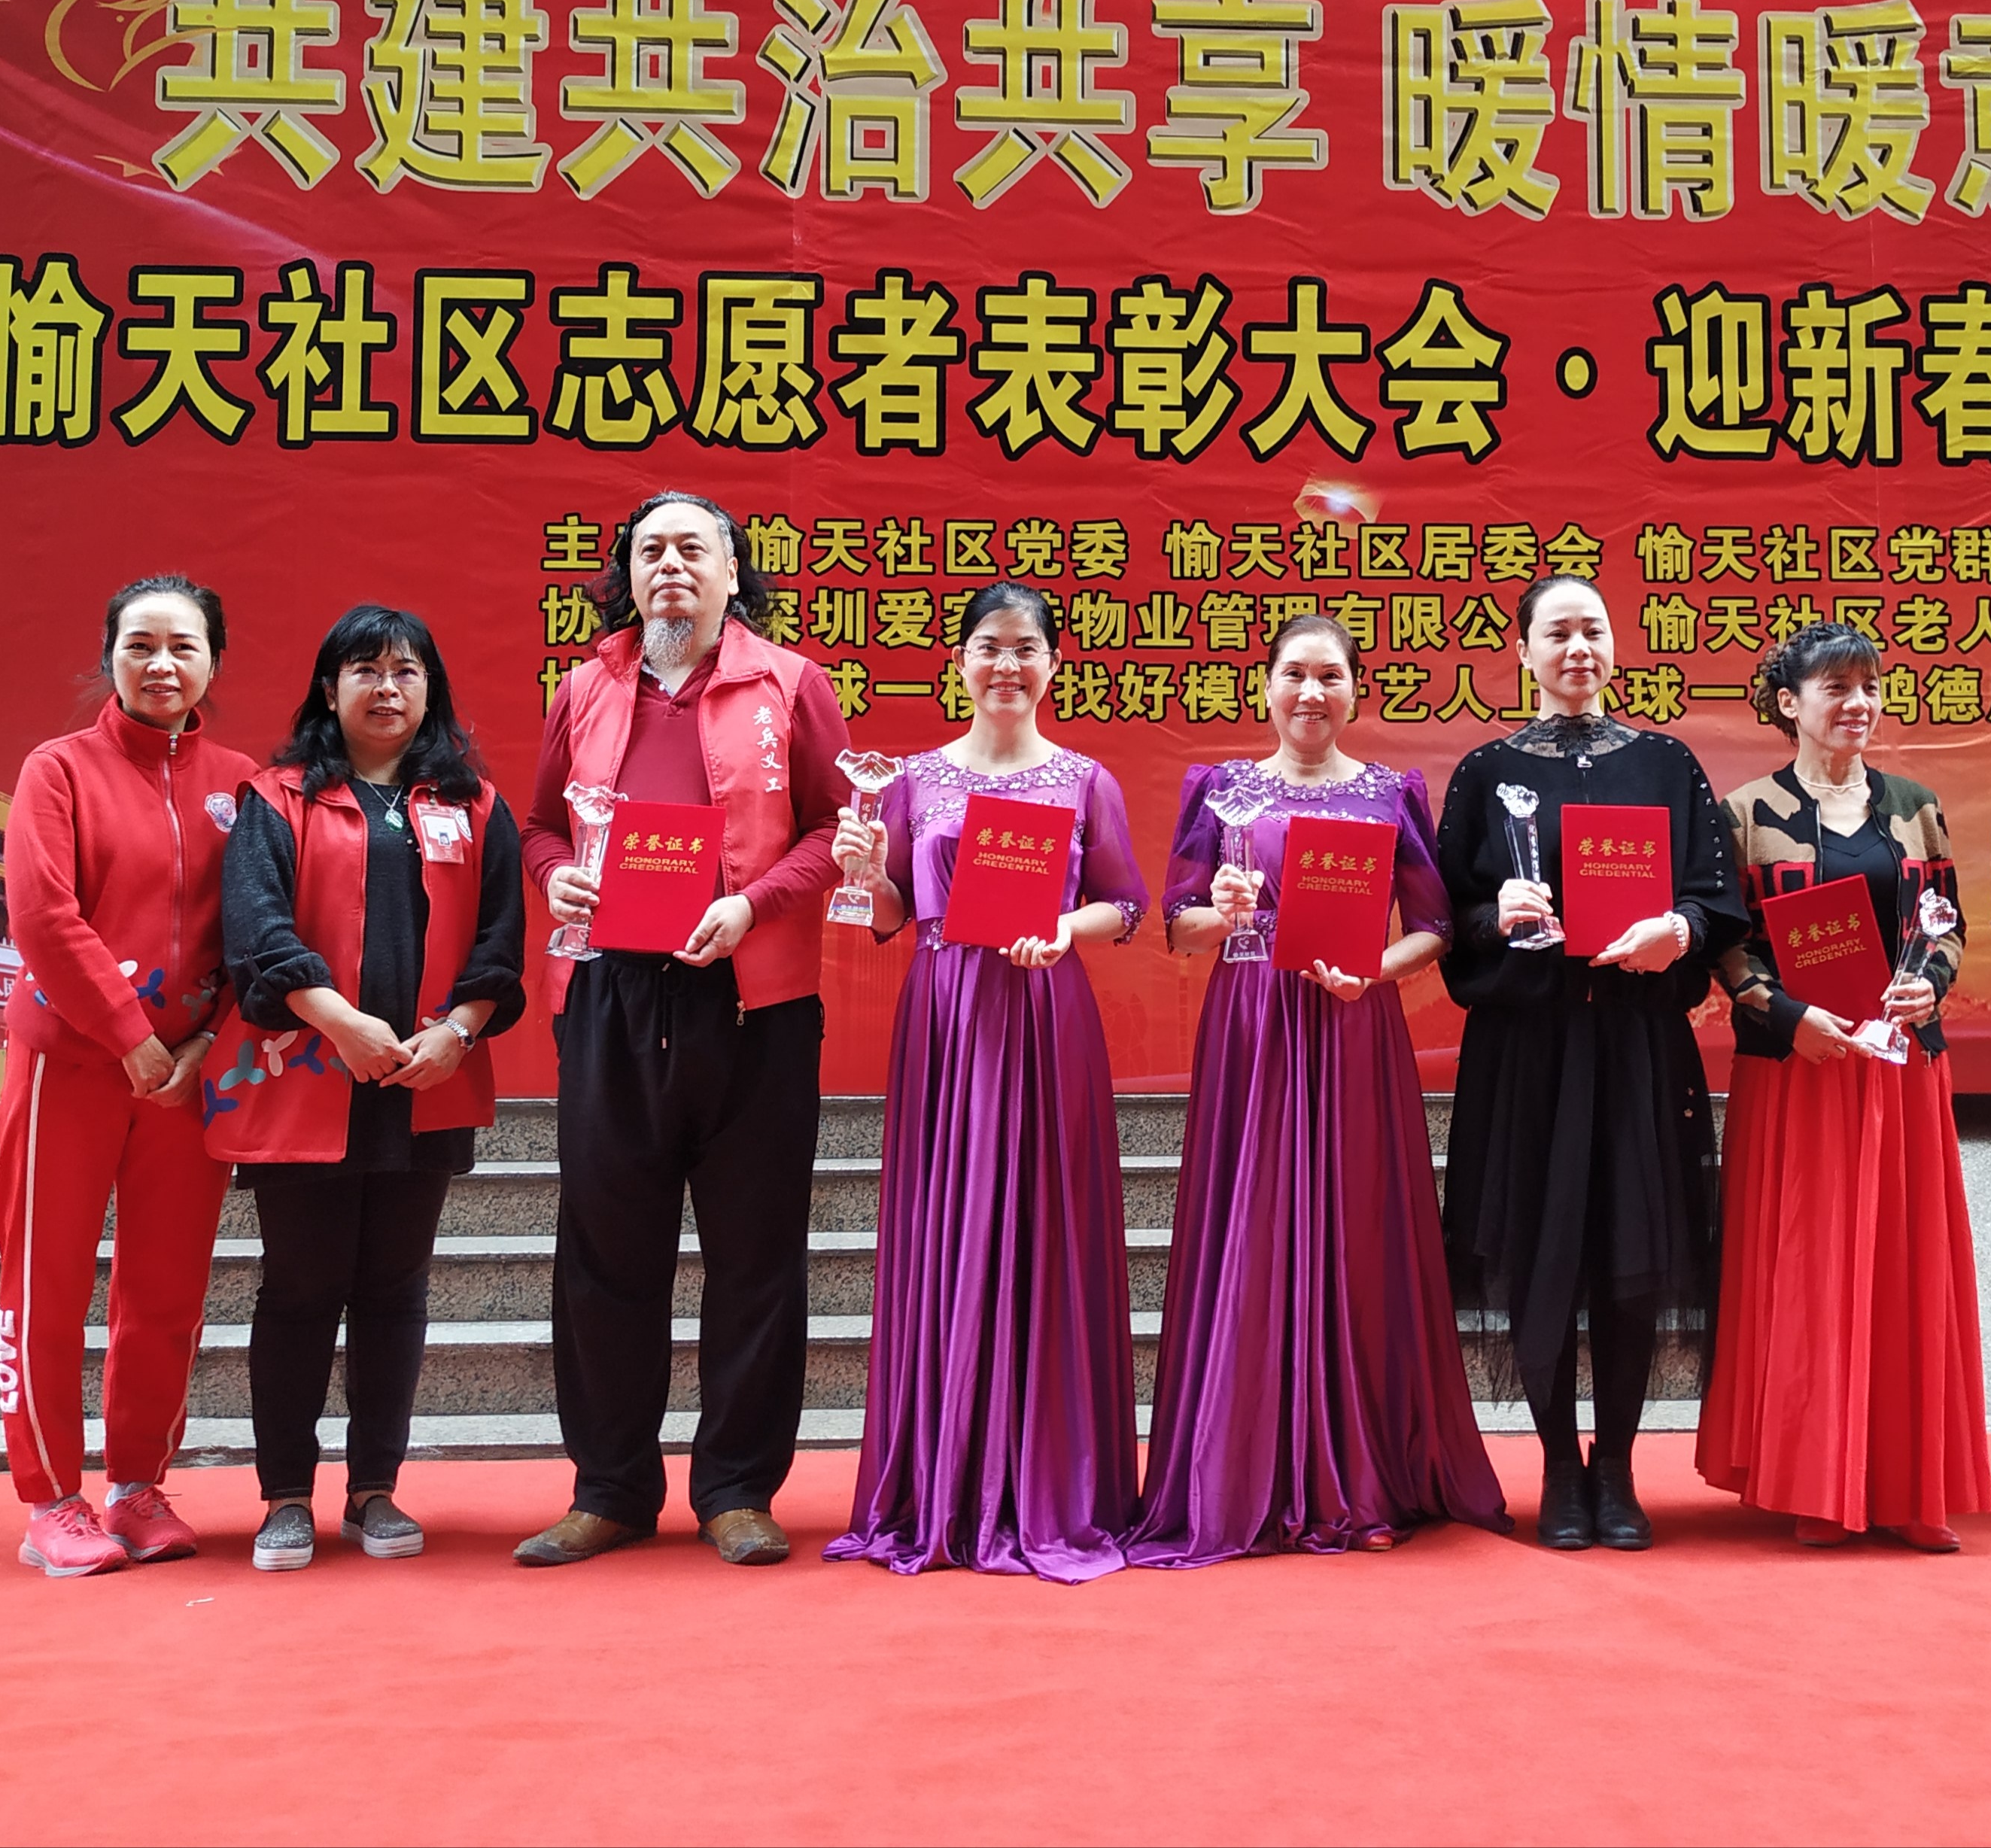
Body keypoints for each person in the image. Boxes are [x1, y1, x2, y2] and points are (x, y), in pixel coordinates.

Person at [515, 491, 853, 1567]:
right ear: (626, 573)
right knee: (605, 1251)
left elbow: (836, 826)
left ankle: (739, 1490)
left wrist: (753, 903)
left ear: (731, 571)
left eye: (692, 548)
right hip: (610, 999)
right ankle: (610, 1488)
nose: (670, 565)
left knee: (757, 1252)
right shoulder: (585, 687)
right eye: (649, 549)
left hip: (754, 1002)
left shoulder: (791, 684)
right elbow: (537, 827)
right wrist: (558, 877)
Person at [1132, 615, 1509, 1566]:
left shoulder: (1391, 792)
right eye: (1294, 674)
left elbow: (1433, 927)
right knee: (1251, 1228)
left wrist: (1375, 970)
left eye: (1329, 676)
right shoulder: (1218, 790)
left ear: (1354, 690)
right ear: (1264, 686)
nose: (1311, 693)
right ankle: (1239, 1473)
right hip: (1253, 1027)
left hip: (1352, 1027)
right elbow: (1177, 928)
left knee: (1356, 1234)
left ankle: (1362, 1472)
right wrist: (1219, 914)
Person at [825, 582, 1148, 1582]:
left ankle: (1054, 1481)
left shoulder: (1085, 779)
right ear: (959, 663)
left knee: (1047, 1229)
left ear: (1054, 665)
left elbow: (1126, 904)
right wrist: (864, 867)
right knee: (948, 1226)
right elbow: (889, 915)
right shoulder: (912, 779)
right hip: (948, 1016)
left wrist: (1064, 926)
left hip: (1047, 1014)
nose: (1007, 666)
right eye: (989, 648)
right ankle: (944, 1479)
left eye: (1025, 649)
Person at [210, 606, 526, 1571]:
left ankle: (375, 1489)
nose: (387, 688)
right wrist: (340, 1023)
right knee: (300, 1291)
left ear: (431, 689)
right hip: (308, 1074)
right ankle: (284, 1497)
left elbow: (502, 941)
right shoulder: (277, 798)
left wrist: (458, 1031)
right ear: (329, 688)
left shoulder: (475, 805)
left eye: (406, 671)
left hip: (426, 1078)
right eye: (365, 669)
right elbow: (256, 932)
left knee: (395, 1292)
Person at [1435, 576, 1743, 1552]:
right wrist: (1495, 915)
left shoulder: (1666, 762)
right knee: (1540, 1254)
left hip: (1636, 1046)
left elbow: (1717, 897)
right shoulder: (1486, 772)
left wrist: (1677, 929)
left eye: (1592, 630)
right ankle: (1558, 1470)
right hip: (1528, 1051)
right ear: (1522, 651)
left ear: (1615, 646)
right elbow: (1445, 913)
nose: (1577, 648)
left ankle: (1616, 1468)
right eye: (1557, 632)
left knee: (1630, 1257)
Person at [1694, 624, 1989, 1552]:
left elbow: (1947, 924)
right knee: (1808, 1275)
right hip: (1799, 1072)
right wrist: (1785, 1014)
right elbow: (1724, 941)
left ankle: (1909, 1489)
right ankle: (1815, 1485)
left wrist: (1929, 985)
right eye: (1836, 687)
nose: (1858, 704)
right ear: (1789, 704)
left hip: (1899, 1069)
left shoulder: (1915, 806)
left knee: (1905, 1274)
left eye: (1869, 687)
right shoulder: (1744, 812)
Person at [0, 576, 253, 1577]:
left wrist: (204, 1044)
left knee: (166, 1289)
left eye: (183, 647)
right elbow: (43, 916)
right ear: (109, 655)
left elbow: (260, 929)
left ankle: (138, 1484)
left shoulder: (243, 786)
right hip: (72, 1064)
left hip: (187, 1079)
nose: (161, 665)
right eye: (140, 645)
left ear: (213, 663)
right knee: (45, 1283)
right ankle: (52, 1499)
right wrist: (130, 1037)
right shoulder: (58, 771)